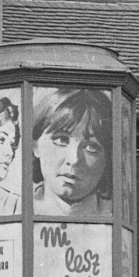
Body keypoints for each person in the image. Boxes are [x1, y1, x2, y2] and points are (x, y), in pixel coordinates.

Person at [31, 86, 111, 218]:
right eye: (62, 140)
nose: (74, 160)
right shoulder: (15, 209)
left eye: (91, 147)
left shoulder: (114, 215)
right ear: (35, 145)